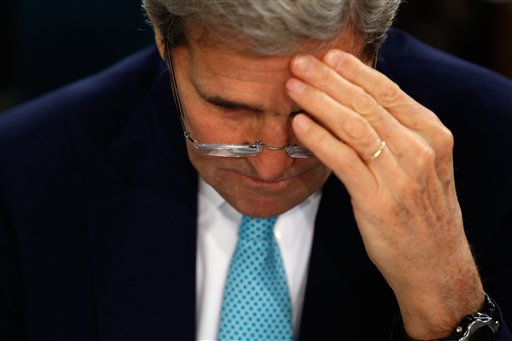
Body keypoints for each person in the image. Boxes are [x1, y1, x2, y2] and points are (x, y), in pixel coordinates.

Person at [0, 0, 511, 340]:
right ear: (164, 42)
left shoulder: (497, 146)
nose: (270, 165)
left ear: (373, 52)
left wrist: (449, 303)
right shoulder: (25, 169)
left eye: (310, 111)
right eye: (230, 109)